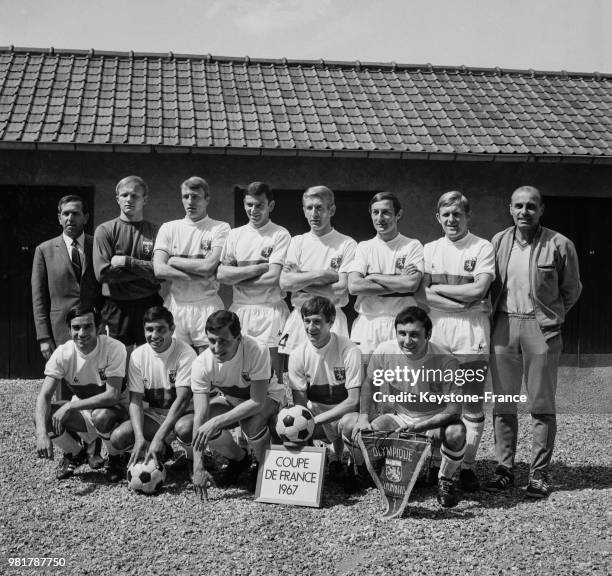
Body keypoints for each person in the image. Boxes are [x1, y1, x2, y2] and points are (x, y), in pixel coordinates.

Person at [485, 185, 582, 498]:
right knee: (504, 403)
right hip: (503, 325)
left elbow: (572, 289)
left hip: (541, 329)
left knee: (540, 405)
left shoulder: (559, 244)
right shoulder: (499, 241)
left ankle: (538, 474)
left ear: (541, 210)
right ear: (510, 208)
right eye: (518, 206)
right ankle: (504, 470)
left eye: (530, 206)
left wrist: (552, 317)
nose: (523, 212)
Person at [341, 306, 467, 508]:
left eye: (415, 335)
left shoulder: (446, 360)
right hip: (400, 417)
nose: (407, 341)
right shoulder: (385, 350)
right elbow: (369, 383)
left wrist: (420, 427)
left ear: (428, 334)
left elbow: (454, 410)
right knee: (350, 425)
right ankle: (362, 470)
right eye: (402, 334)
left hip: (433, 419)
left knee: (456, 433)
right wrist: (364, 416)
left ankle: (445, 480)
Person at [423, 191, 495, 491]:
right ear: (438, 217)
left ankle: (466, 466)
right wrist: (464, 302)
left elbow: (478, 291)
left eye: (457, 214)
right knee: (437, 403)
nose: (452, 220)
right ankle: (440, 465)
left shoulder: (482, 247)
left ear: (467, 216)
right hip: (438, 333)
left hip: (471, 334)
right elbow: (420, 293)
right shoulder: (428, 249)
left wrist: (440, 292)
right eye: (446, 214)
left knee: (471, 404)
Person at [175, 311, 285, 499]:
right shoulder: (201, 363)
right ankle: (240, 459)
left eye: (223, 341)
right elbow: (200, 417)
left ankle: (263, 465)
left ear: (238, 337)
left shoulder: (256, 349)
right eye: (211, 341)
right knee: (205, 422)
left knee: (250, 423)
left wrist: (217, 422)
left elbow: (257, 402)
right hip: (233, 399)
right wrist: (198, 466)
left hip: (268, 396)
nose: (216, 348)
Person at [34, 305, 129, 482]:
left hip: (118, 413)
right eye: (76, 328)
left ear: (99, 327)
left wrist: (71, 405)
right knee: (45, 417)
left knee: (102, 415)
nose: (82, 333)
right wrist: (41, 433)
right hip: (86, 412)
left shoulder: (114, 348)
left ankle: (116, 458)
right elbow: (44, 397)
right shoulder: (63, 353)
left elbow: (112, 396)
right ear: (69, 329)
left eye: (88, 327)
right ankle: (77, 454)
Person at [217, 181, 290, 382]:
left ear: (270, 206)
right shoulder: (235, 234)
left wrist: (238, 278)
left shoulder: (280, 234)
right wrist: (257, 269)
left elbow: (273, 278)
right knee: (242, 371)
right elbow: (222, 275)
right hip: (240, 309)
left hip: (270, 310)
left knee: (273, 376)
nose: (253, 210)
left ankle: (275, 411)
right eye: (249, 204)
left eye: (259, 205)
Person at [31, 196, 103, 400]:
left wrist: (104, 323)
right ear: (59, 218)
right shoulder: (44, 250)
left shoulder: (96, 245)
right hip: (60, 328)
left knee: (95, 378)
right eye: (66, 213)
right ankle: (65, 427)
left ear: (86, 217)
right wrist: (44, 336)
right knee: (63, 379)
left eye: (76, 213)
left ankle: (94, 427)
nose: (70, 218)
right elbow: (39, 297)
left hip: (93, 325)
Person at [109, 306, 196, 469]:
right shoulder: (138, 355)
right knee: (118, 438)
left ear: (172, 329)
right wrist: (140, 436)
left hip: (185, 414)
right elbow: (135, 400)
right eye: (149, 330)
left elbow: (183, 400)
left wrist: (158, 438)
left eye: (160, 329)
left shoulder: (186, 353)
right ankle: (161, 451)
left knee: (184, 428)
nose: (154, 335)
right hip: (157, 415)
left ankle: (194, 459)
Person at [287, 296, 361, 479]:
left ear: (331, 322)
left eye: (317, 322)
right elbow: (300, 405)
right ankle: (318, 463)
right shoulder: (297, 354)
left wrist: (314, 421)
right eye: (307, 321)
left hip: (346, 415)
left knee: (350, 423)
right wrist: (302, 426)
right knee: (286, 421)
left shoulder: (349, 350)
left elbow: (353, 401)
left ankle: (356, 466)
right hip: (319, 414)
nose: (311, 328)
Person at [153, 176, 230, 353]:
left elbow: (209, 266)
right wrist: (201, 273)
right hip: (175, 305)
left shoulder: (220, 228)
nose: (190, 201)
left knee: (209, 363)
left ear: (207, 198)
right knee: (176, 365)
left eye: (195, 196)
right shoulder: (169, 228)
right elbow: (159, 269)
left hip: (207, 304)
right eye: (185, 196)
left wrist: (174, 260)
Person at [278, 185, 357, 357]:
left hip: (332, 318)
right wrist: (322, 274)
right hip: (300, 317)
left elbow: (341, 288)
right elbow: (284, 284)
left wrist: (300, 279)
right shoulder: (296, 242)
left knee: (335, 379)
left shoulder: (347, 244)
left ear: (332, 210)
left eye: (319, 207)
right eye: (309, 208)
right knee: (297, 380)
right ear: (304, 211)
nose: (314, 213)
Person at [348, 192, 426, 356]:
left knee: (400, 380)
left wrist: (372, 277)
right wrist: (399, 281)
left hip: (402, 325)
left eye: (386, 212)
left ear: (398, 214)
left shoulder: (412, 245)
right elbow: (354, 286)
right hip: (367, 324)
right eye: (375, 212)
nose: (380, 218)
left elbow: (411, 284)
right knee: (367, 380)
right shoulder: (364, 247)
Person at [93, 176, 162, 347]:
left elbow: (160, 273)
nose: (129, 199)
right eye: (124, 195)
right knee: (116, 360)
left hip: (149, 302)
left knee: (150, 358)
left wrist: (126, 262)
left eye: (135, 196)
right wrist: (146, 271)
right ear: (117, 199)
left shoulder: (156, 231)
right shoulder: (105, 230)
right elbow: (104, 274)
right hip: (116, 306)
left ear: (144, 199)